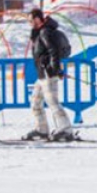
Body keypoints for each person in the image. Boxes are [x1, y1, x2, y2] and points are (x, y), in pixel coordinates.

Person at [26, 9, 75, 142]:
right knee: (35, 101)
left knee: (52, 101)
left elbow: (54, 51)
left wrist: (55, 68)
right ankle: (41, 129)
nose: (29, 23)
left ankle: (65, 129)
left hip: (48, 72)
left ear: (37, 19)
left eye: (31, 20)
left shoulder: (45, 32)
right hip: (42, 73)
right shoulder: (40, 32)